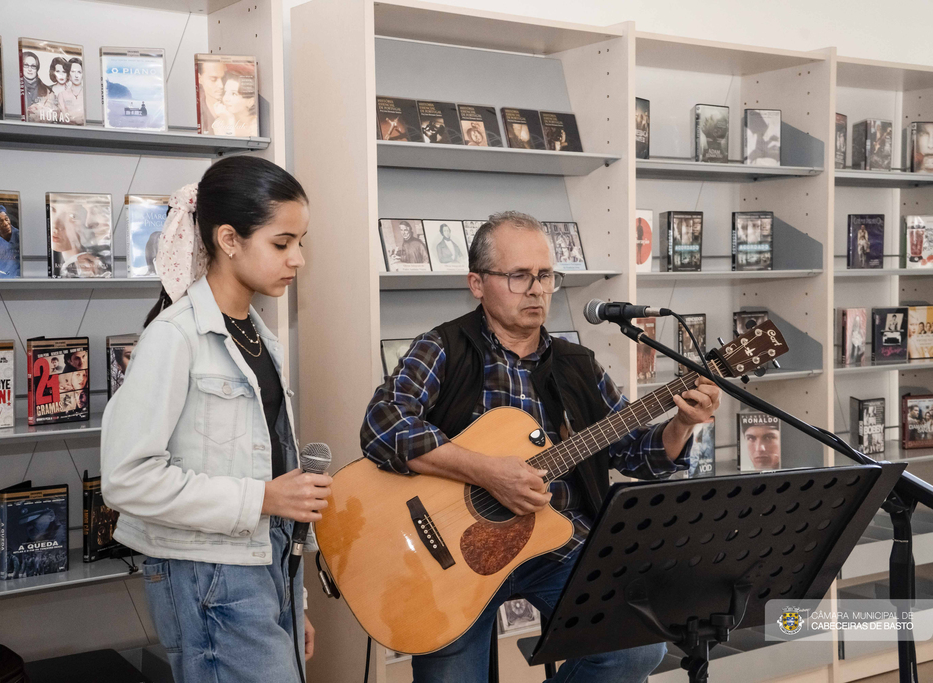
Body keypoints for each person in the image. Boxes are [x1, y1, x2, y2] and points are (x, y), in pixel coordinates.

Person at [360, 211, 720, 682]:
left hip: (554, 541)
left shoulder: (577, 364)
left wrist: (681, 425)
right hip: (450, 556)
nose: (536, 289)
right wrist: (486, 473)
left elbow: (634, 451)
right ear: (477, 283)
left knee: (636, 648)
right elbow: (382, 425)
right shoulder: (443, 348)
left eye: (545, 275)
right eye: (518, 276)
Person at [100, 156, 327, 683]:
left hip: (264, 563)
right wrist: (263, 498)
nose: (298, 259)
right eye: (281, 243)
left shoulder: (260, 338)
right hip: (206, 574)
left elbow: (271, 459)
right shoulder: (174, 336)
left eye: (301, 241)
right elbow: (126, 478)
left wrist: (296, 599)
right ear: (229, 239)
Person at [197, 58, 228, 132]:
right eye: (213, 79)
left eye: (223, 78)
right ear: (200, 79)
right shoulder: (197, 111)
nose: (221, 85)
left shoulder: (236, 107)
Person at [21, 51, 51, 120]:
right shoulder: (15, 88)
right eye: (26, 65)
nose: (30, 69)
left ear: (37, 69)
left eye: (33, 66)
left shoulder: (48, 91)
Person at [58, 58, 85, 125]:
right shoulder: (62, 95)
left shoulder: (88, 95)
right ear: (69, 74)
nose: (76, 76)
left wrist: (72, 116)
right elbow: (63, 118)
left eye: (79, 72)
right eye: (73, 71)